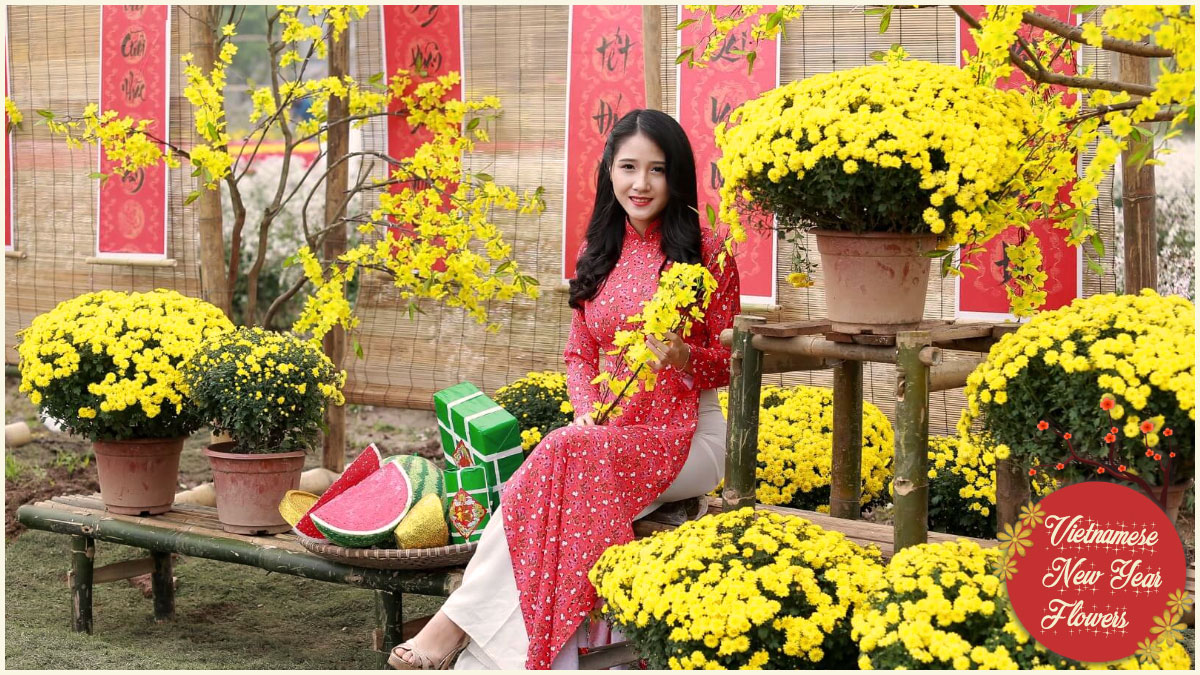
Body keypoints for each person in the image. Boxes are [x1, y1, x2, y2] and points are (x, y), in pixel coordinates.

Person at [389, 108, 741, 670]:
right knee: (561, 473)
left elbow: (732, 363)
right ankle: (524, 655)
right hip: (604, 438)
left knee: (557, 461)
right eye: (628, 167)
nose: (641, 183)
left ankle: (451, 626)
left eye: (657, 169)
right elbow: (580, 352)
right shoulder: (601, 249)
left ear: (678, 176)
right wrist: (583, 412)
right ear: (609, 171)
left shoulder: (708, 251)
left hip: (687, 436)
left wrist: (685, 356)